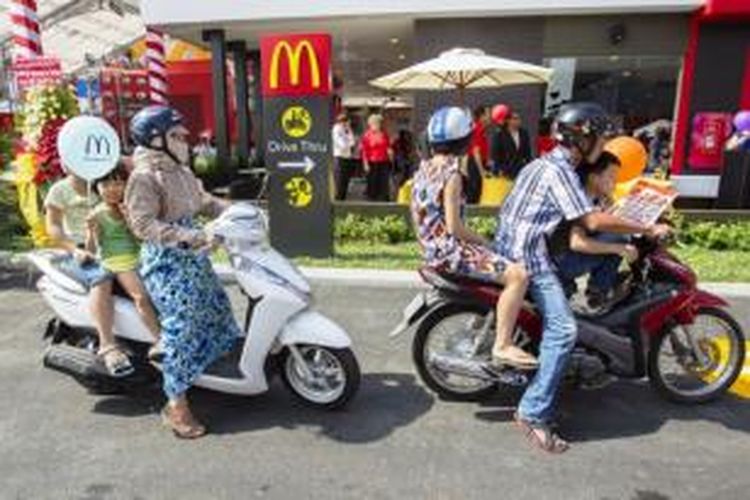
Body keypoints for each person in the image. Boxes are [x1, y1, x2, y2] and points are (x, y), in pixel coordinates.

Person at [494, 102, 671, 453]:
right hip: (531, 260)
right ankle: (532, 412)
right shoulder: (559, 172)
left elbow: (589, 215)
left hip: (516, 250)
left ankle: (593, 300)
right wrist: (647, 226)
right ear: (583, 138)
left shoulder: (546, 164)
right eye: (601, 139)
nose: (604, 147)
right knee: (564, 330)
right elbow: (590, 222)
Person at [125, 105, 240, 439]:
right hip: (167, 261)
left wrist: (238, 210)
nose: (184, 142)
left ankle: (207, 367)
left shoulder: (181, 171)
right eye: (176, 136)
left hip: (195, 253)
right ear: (156, 139)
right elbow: (142, 224)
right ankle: (175, 403)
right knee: (184, 321)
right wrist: (187, 237)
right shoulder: (143, 177)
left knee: (217, 304)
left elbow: (202, 201)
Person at [412, 106, 537, 369]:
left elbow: (417, 216)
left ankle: (486, 325)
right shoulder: (452, 174)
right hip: (453, 252)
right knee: (519, 276)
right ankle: (502, 344)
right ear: (464, 141)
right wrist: (484, 241)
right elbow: (455, 227)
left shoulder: (422, 170)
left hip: (433, 252)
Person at [44, 172, 132, 377]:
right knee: (102, 277)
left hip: (114, 244)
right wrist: (74, 249)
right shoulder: (60, 190)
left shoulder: (108, 181)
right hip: (79, 249)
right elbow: (53, 226)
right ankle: (108, 345)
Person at [85, 165, 162, 356]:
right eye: (106, 184)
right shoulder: (96, 214)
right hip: (115, 262)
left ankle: (165, 335)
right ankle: (159, 339)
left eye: (118, 183)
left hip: (137, 257)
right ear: (97, 188)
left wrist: (129, 220)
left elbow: (141, 240)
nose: (112, 189)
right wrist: (91, 231)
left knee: (153, 295)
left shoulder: (131, 209)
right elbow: (92, 250)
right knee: (141, 297)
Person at [550, 152, 638, 311]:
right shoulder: (580, 200)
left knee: (617, 236)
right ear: (593, 177)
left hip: (563, 258)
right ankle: (597, 294)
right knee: (621, 237)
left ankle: (598, 291)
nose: (615, 182)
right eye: (611, 176)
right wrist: (620, 249)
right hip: (561, 261)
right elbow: (577, 243)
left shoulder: (595, 197)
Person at [491, 110, 532, 180]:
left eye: (519, 118)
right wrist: (499, 170)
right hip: (505, 172)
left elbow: (527, 153)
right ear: (508, 120)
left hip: (520, 171)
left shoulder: (524, 133)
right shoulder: (499, 135)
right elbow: (495, 155)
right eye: (515, 118)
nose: (518, 121)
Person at [361, 113, 393, 201]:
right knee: (372, 181)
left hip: (384, 161)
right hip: (372, 161)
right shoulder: (367, 135)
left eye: (379, 123)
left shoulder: (384, 134)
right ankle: (372, 199)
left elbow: (388, 146)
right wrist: (365, 163)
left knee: (383, 181)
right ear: (371, 124)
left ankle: (383, 199)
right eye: (376, 123)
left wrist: (390, 153)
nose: (378, 125)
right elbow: (364, 151)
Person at [465, 106, 491, 204]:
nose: (490, 117)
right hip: (475, 164)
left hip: (479, 163)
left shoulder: (482, 130)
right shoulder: (477, 129)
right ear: (482, 116)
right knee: (473, 193)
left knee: (477, 193)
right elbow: (476, 152)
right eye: (488, 114)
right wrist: (482, 172)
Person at [332, 113, 357, 201]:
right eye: (347, 122)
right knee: (339, 181)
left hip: (347, 158)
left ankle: (343, 198)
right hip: (339, 158)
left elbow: (353, 142)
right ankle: (338, 199)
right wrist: (348, 142)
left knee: (345, 180)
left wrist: (349, 131)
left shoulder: (347, 130)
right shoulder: (336, 129)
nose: (348, 124)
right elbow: (342, 145)